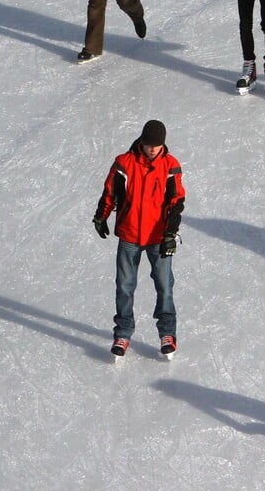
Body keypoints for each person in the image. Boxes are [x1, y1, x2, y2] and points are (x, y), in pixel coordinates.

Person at [93, 120, 185, 357]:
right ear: (141, 141)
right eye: (149, 144)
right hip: (129, 235)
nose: (152, 149)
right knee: (124, 287)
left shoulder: (170, 166)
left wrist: (170, 234)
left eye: (157, 145)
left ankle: (167, 333)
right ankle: (122, 334)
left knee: (164, 285)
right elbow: (110, 192)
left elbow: (176, 202)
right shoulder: (124, 163)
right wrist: (101, 216)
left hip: (158, 237)